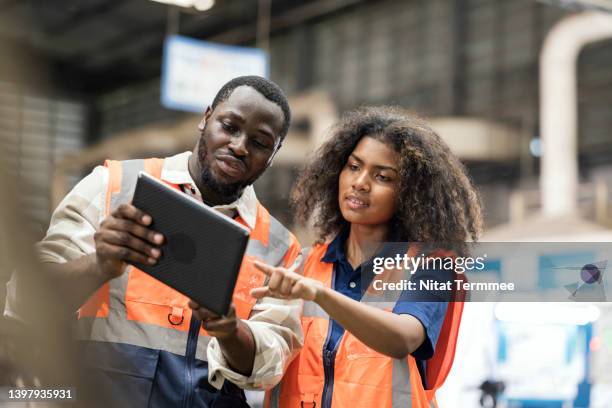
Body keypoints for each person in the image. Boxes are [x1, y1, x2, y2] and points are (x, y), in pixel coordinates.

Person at [4, 76, 303, 407]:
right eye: (230, 126)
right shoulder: (114, 187)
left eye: (260, 143)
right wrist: (99, 263)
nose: (240, 146)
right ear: (206, 118)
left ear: (274, 155)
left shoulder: (279, 247)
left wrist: (231, 331)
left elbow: (270, 365)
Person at [251, 106, 483, 407]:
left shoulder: (431, 269)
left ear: (410, 193)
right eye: (353, 166)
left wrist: (320, 295)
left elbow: (402, 338)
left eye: (383, 177)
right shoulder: (303, 264)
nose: (360, 182)